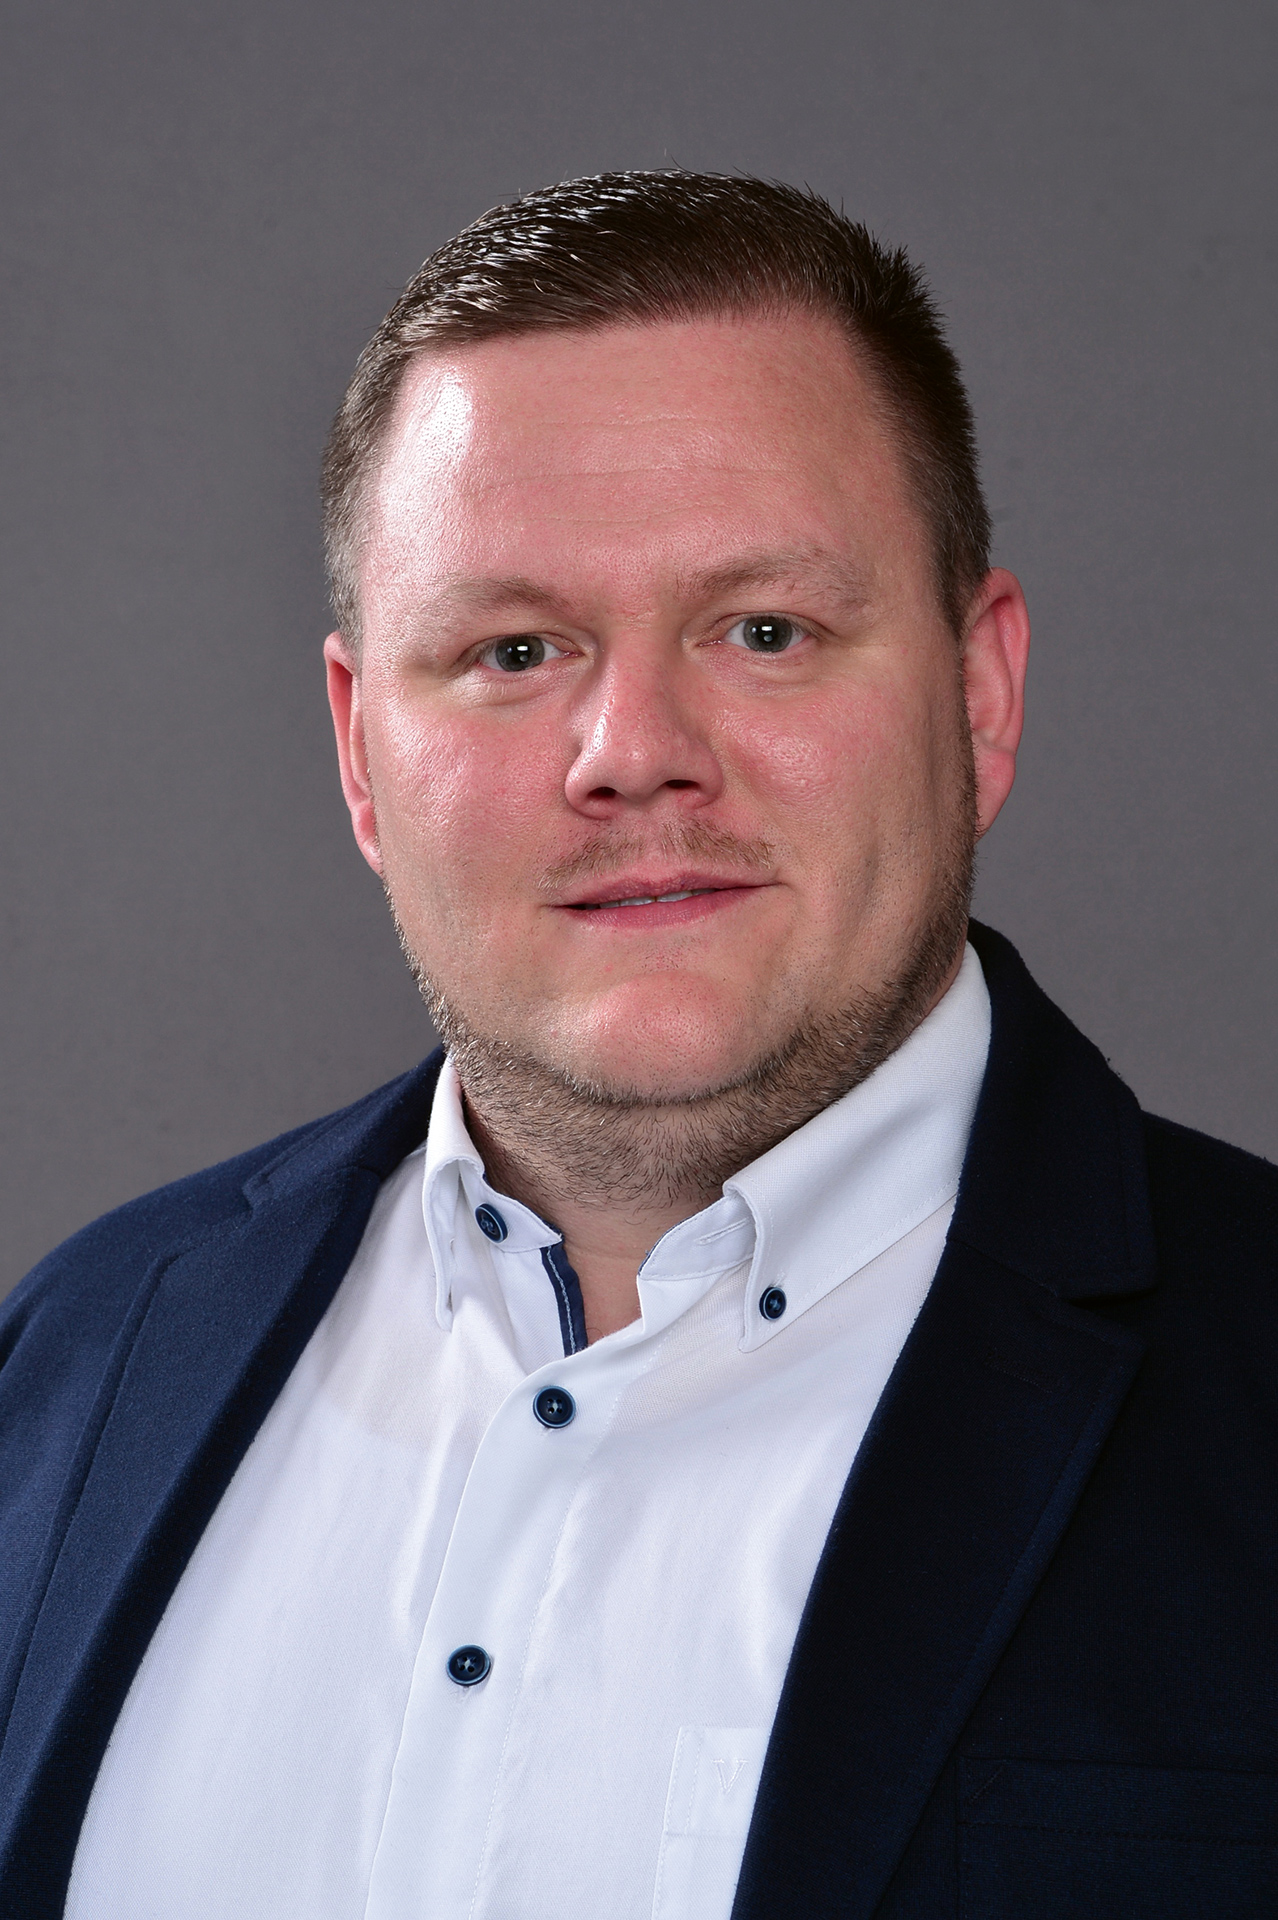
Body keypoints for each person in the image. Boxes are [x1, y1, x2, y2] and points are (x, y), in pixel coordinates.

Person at [1, 171, 1275, 1920]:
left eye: (763, 631)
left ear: (978, 695)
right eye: (514, 649)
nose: (631, 751)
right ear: (362, 753)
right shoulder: (80, 1358)